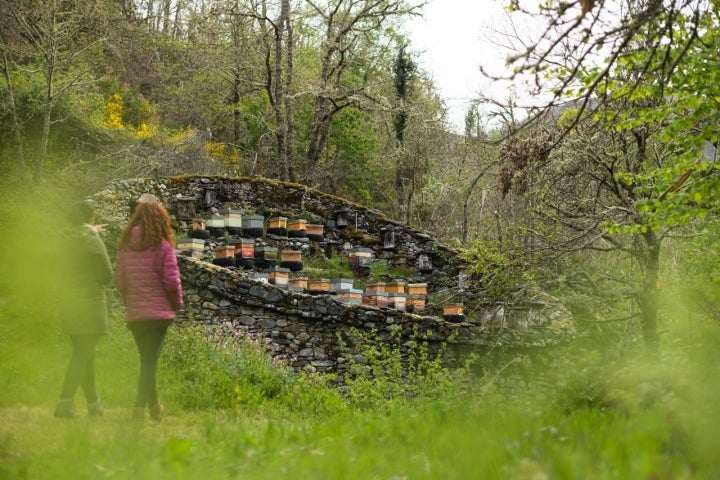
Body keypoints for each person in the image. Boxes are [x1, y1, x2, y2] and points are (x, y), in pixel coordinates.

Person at [114, 198, 183, 421]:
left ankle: (154, 408)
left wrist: (130, 301)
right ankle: (138, 409)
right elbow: (172, 282)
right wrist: (177, 303)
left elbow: (120, 282)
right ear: (160, 219)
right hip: (158, 315)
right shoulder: (163, 247)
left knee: (146, 359)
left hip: (136, 315)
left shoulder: (125, 247)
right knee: (149, 361)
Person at [55, 201, 113, 418]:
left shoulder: (62, 240)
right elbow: (106, 274)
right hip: (89, 303)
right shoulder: (92, 241)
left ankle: (93, 404)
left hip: (69, 301)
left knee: (84, 354)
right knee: (82, 354)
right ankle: (64, 401)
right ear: (91, 219)